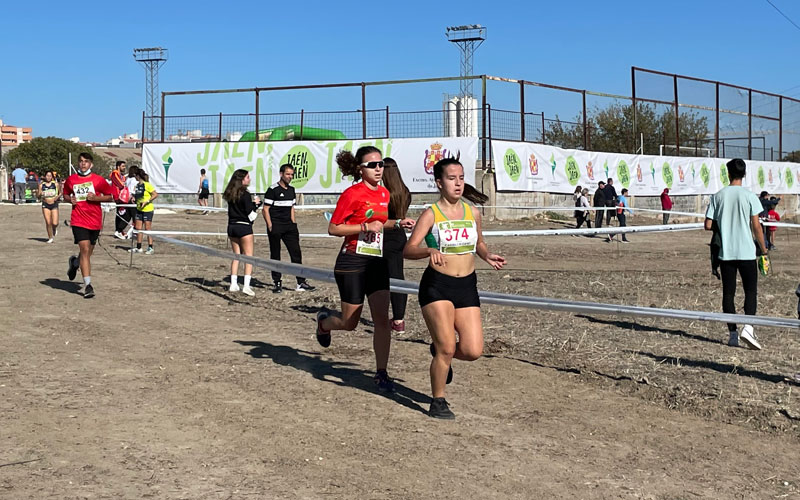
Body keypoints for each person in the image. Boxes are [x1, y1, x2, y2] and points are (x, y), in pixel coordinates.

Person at [403, 157, 506, 419]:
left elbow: (479, 243)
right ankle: (438, 400)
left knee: (472, 351)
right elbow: (408, 250)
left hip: (466, 285)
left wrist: (487, 255)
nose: (458, 183)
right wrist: (428, 250)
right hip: (437, 286)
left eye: (461, 178)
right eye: (451, 178)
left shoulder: (473, 212)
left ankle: (439, 352)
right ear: (439, 183)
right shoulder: (431, 214)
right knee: (448, 347)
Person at [315, 146, 398, 393]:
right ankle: (324, 323)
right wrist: (363, 227)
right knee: (349, 322)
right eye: (372, 165)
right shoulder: (352, 194)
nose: (378, 169)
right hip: (352, 261)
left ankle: (381, 372)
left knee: (382, 319)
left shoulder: (384, 193)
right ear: (361, 169)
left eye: (380, 164)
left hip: (376, 261)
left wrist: (397, 223)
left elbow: (380, 223)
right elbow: (334, 228)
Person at [704, 158, 768, 350]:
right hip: (747, 251)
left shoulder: (718, 196)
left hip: (726, 253)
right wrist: (764, 250)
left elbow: (707, 225)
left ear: (728, 174)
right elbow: (756, 226)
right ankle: (748, 327)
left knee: (728, 293)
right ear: (744, 174)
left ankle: (732, 333)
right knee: (750, 291)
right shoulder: (750, 196)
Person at [63, 152, 114, 298]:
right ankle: (88, 286)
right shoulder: (71, 179)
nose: (83, 164)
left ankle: (75, 263)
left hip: (95, 220)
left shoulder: (98, 180)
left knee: (88, 252)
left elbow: (111, 196)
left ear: (91, 164)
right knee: (84, 249)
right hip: (78, 220)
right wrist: (69, 200)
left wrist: (97, 198)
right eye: (80, 161)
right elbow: (65, 193)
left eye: (86, 161)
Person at [263, 163, 315, 293]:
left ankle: (300, 282)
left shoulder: (291, 190)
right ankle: (277, 282)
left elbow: (291, 208)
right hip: (275, 226)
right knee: (275, 254)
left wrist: (293, 223)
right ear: (281, 174)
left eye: (292, 174)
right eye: (287, 174)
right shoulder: (272, 189)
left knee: (296, 253)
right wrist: (270, 225)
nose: (290, 176)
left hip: (289, 227)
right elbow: (265, 209)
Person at [381, 157, 416, 334]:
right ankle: (399, 319)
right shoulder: (405, 192)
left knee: (382, 279)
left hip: (383, 237)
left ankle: (394, 319)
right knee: (397, 277)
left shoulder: (383, 194)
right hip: (399, 237)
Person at [224, 169, 261, 297]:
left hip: (232, 226)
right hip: (244, 227)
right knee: (248, 257)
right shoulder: (245, 194)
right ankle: (246, 285)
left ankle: (233, 284)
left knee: (236, 256)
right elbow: (251, 215)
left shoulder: (229, 194)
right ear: (241, 180)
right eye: (247, 177)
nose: (249, 179)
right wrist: (256, 205)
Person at [131, 168, 158, 255]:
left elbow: (155, 194)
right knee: (138, 228)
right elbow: (138, 196)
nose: (134, 177)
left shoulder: (147, 185)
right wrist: (134, 198)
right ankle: (139, 247)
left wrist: (147, 201)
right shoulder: (137, 185)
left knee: (147, 229)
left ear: (138, 176)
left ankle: (150, 247)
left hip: (148, 209)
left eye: (135, 175)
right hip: (139, 209)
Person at [110, 161, 131, 239]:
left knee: (121, 212)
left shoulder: (121, 175)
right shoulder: (114, 174)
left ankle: (119, 230)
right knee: (123, 213)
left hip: (123, 196)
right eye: (123, 166)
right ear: (118, 166)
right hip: (118, 196)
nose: (124, 168)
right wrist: (124, 184)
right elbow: (121, 184)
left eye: (124, 166)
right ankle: (118, 230)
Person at [38, 171, 60, 243]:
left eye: (50, 176)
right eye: (47, 175)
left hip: (54, 204)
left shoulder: (55, 184)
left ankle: (54, 228)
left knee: (55, 223)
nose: (48, 177)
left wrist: (57, 197)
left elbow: (61, 192)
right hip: (45, 204)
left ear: (52, 177)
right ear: (45, 176)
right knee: (48, 222)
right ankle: (50, 237)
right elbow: (38, 196)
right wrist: (40, 194)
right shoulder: (41, 185)